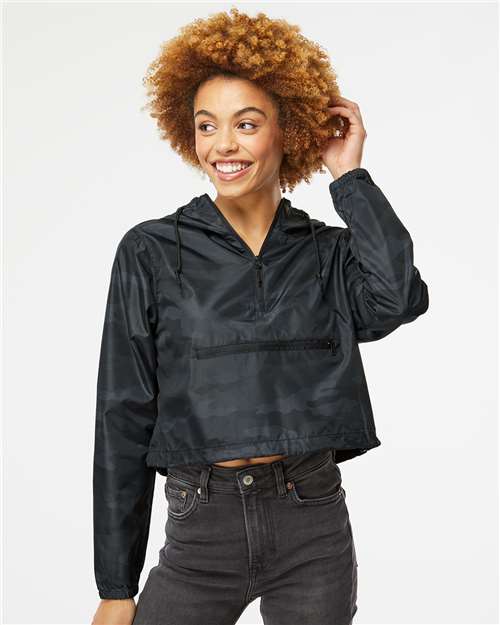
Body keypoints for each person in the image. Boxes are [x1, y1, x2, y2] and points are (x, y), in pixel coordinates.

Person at [91, 8, 429, 625]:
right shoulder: (151, 250)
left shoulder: (327, 253)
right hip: (200, 530)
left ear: (288, 130)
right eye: (206, 126)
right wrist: (117, 586)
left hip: (312, 524)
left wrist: (349, 176)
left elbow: (398, 298)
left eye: (246, 124)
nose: (223, 145)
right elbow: (123, 414)